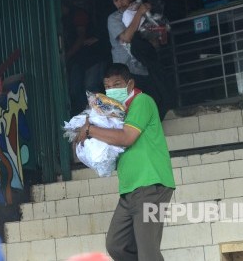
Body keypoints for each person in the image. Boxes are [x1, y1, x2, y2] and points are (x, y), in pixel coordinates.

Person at [75, 63, 175, 261]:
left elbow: (126, 138)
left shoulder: (141, 101)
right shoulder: (115, 112)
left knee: (148, 252)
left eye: (117, 84)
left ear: (130, 84)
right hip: (129, 190)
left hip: (151, 185)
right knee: (116, 245)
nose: (112, 90)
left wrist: (90, 130)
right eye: (108, 87)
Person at [107, 0, 174, 121]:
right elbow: (126, 37)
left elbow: (155, 40)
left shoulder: (141, 12)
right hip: (126, 72)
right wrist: (139, 13)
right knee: (135, 109)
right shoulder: (114, 18)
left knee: (159, 101)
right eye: (116, 0)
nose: (120, 3)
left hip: (145, 68)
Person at [62, 0, 111, 115]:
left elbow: (81, 38)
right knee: (75, 89)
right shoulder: (64, 19)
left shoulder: (78, 14)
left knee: (91, 88)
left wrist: (66, 55)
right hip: (78, 60)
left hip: (92, 57)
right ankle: (84, 116)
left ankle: (99, 117)